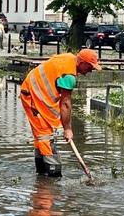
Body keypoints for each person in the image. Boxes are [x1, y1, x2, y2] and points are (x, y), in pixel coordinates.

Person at [20, 49, 101, 177]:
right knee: (45, 137)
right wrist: (68, 129)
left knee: (41, 138)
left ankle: (41, 177)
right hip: (33, 96)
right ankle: (53, 179)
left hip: (32, 90)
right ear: (82, 63)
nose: (91, 70)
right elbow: (66, 104)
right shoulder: (69, 76)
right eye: (90, 67)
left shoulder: (69, 58)